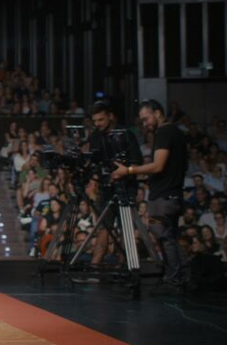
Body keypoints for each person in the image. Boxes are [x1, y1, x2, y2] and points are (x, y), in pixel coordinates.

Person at [111, 100, 190, 294]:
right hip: (172, 193)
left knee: (164, 237)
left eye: (146, 118)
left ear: (157, 113)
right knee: (170, 236)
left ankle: (173, 280)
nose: (145, 124)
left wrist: (128, 170)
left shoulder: (164, 132)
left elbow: (158, 165)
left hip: (163, 198)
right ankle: (185, 276)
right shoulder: (177, 133)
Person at [80, 100, 144, 276]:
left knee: (126, 228)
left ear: (110, 116)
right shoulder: (95, 136)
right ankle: (95, 266)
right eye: (95, 121)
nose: (98, 124)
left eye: (101, 119)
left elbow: (137, 161)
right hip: (106, 188)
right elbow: (93, 162)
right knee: (104, 227)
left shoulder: (126, 135)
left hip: (126, 187)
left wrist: (123, 172)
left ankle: (127, 267)